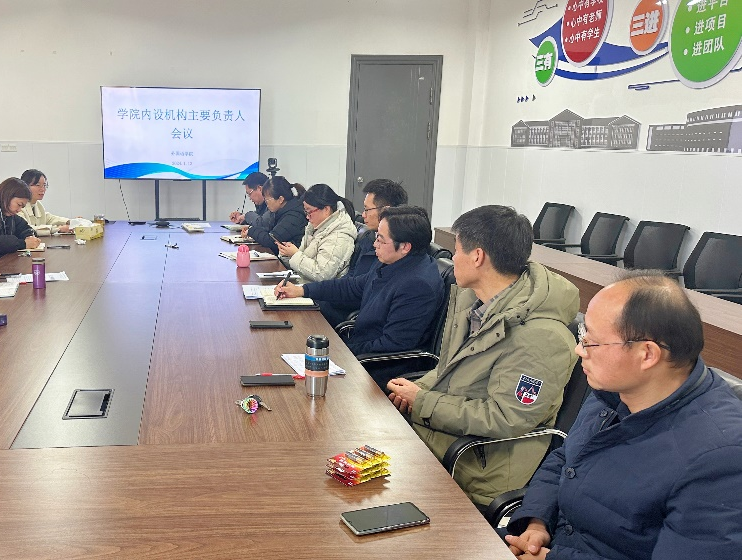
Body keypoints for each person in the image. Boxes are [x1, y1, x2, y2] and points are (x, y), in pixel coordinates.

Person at [505, 272, 742, 560]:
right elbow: (565, 459)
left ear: (647, 354)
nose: (579, 350)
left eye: (591, 341)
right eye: (583, 336)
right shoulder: (614, 390)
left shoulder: (719, 457)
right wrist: (536, 521)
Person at [386, 205, 579, 506]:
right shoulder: (474, 302)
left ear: (477, 257)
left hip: (472, 468)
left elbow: (505, 417)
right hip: (437, 438)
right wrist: (416, 389)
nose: (452, 258)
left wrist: (422, 401)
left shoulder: (541, 338)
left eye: (456, 250)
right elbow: (450, 369)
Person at [274, 206, 442, 358]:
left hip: (374, 364)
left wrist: (340, 352)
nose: (375, 244)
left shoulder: (417, 285)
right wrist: (302, 290)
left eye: (381, 240)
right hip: (359, 348)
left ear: (405, 247)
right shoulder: (392, 262)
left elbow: (392, 345)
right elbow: (351, 286)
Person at [318, 178, 409, 326]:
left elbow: (362, 294)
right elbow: (352, 278)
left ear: (385, 210)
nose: (363, 215)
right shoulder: (369, 238)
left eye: (367, 209)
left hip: (356, 314)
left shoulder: (394, 249)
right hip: (347, 298)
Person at [277, 183, 358, 282]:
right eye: (305, 212)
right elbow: (303, 264)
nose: (307, 217)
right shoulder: (316, 228)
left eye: (309, 212)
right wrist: (287, 254)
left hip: (322, 290)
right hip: (306, 284)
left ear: (326, 210)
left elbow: (322, 274)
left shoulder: (339, 236)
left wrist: (295, 254)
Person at [240, 176, 306, 255]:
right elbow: (269, 230)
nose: (266, 204)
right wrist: (252, 229)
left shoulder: (293, 216)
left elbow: (272, 240)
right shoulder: (281, 211)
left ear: (280, 199)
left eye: (267, 200)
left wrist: (251, 231)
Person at [0, 177, 41, 262]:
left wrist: (29, 236)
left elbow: (23, 227)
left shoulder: (7, 210)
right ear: (8, 196)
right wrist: (23, 244)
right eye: (19, 204)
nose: (19, 210)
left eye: (22, 207)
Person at [19, 169, 73, 235]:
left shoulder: (38, 204)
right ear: (25, 186)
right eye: (38, 185)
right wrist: (58, 229)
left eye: (44, 185)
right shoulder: (19, 206)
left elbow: (49, 218)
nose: (42, 189)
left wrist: (70, 222)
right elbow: (27, 228)